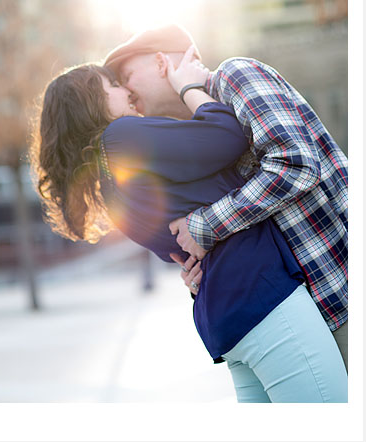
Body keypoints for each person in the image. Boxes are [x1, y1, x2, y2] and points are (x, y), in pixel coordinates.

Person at [31, 48, 347, 402]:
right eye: (114, 85)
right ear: (94, 99)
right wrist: (188, 88)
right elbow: (228, 133)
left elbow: (179, 253)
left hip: (225, 319)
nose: (126, 93)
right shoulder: (121, 138)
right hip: (263, 295)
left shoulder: (108, 187)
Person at [103, 25, 348, 372]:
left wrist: (204, 226)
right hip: (300, 312)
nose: (126, 91)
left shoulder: (235, 76)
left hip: (338, 289)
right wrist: (201, 271)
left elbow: (295, 164)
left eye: (126, 76)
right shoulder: (193, 133)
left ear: (161, 63)